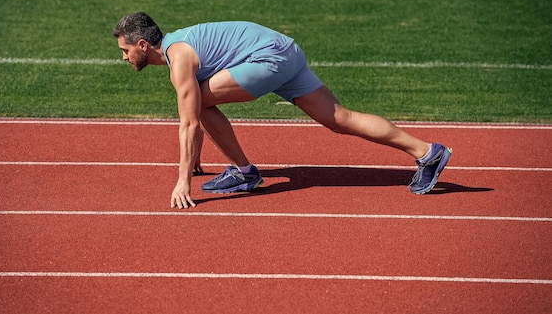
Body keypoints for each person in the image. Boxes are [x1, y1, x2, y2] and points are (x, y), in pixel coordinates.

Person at [112, 12, 452, 209]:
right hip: (286, 51)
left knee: (199, 100)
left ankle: (244, 171)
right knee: (340, 119)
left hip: (268, 59)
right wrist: (197, 158)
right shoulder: (183, 45)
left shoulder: (179, 58)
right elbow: (196, 118)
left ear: (143, 45)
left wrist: (183, 181)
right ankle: (427, 152)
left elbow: (189, 121)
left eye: (126, 50)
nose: (124, 58)